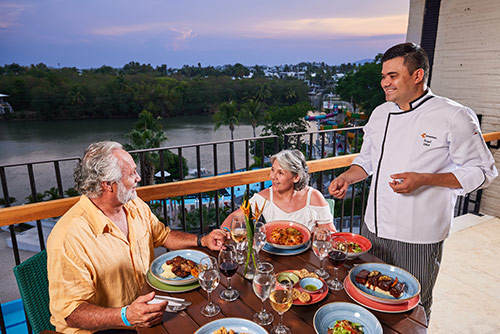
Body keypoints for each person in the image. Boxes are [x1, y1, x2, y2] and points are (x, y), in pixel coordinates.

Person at [328, 42, 497, 320]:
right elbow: (368, 159)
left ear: (417, 76)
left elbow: (484, 171)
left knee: (412, 304)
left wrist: (425, 180)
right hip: (374, 227)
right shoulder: (381, 113)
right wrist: (347, 177)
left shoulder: (454, 115)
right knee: (366, 293)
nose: (385, 83)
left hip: (419, 234)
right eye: (383, 76)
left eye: (392, 76)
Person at [47, 141, 228, 334]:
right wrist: (125, 315)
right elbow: (70, 313)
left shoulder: (133, 205)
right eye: (132, 173)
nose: (139, 177)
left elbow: (163, 235)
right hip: (106, 328)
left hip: (146, 312)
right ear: (108, 184)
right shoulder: (69, 237)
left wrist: (202, 240)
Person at [222, 149, 335, 232]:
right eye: (273, 170)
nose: (273, 176)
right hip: (273, 256)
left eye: (280, 173)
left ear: (296, 177)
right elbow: (236, 217)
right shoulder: (265, 197)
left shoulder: (314, 197)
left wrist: (322, 233)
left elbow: (331, 233)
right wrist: (223, 232)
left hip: (306, 259)